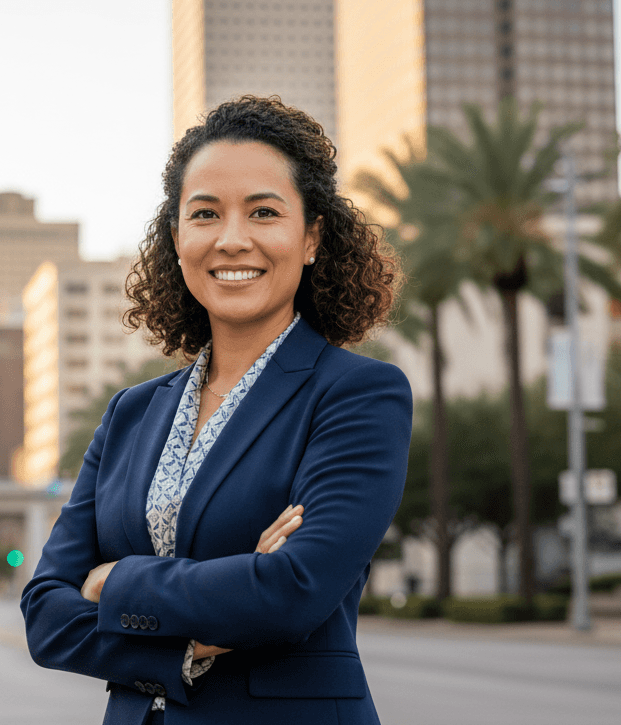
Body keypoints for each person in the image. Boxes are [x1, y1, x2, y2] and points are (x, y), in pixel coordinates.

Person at [20, 95, 410, 725]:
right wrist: (197, 636)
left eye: (263, 212)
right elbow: (45, 615)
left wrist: (111, 581)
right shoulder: (131, 412)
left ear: (311, 237)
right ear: (177, 239)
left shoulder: (357, 394)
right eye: (205, 214)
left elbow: (294, 592)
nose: (232, 239)